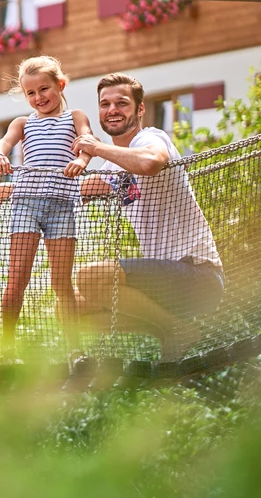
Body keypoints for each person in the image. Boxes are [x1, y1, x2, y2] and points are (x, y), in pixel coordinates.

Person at [71, 73, 224, 360]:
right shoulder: (112, 165)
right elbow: (72, 189)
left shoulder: (150, 137)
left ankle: (176, 330)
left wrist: (94, 146)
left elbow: (151, 162)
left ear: (140, 109)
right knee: (70, 307)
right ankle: (169, 329)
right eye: (105, 104)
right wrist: (6, 191)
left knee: (89, 277)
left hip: (198, 276)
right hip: (162, 285)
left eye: (122, 103)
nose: (112, 110)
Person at [0, 56, 93, 355]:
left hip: (62, 206)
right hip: (26, 205)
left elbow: (87, 142)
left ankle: (75, 350)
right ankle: (5, 344)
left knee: (61, 282)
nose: (38, 98)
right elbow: (3, 143)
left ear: (60, 85)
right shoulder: (23, 123)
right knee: (17, 278)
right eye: (31, 93)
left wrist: (81, 160)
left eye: (44, 89)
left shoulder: (74, 117)